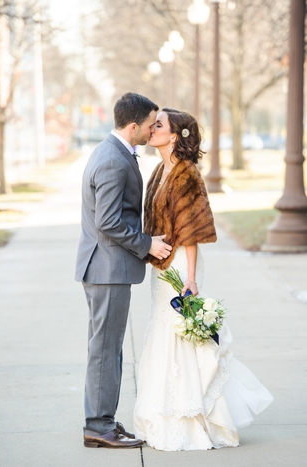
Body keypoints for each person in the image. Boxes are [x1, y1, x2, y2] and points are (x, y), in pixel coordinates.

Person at [132, 107, 273, 450]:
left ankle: (192, 420)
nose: (152, 128)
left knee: (179, 337)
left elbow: (191, 231)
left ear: (174, 135)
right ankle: (163, 415)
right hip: (161, 265)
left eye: (159, 125)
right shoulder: (159, 171)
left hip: (182, 263)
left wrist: (191, 278)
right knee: (164, 335)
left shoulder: (187, 174)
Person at [74, 92, 173, 449]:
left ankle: (101, 421)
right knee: (105, 349)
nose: (152, 131)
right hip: (108, 269)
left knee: (106, 348)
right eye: (149, 125)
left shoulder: (111, 151)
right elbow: (109, 222)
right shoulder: (114, 160)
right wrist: (147, 245)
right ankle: (99, 426)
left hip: (105, 267)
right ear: (133, 126)